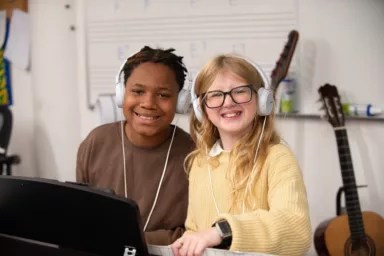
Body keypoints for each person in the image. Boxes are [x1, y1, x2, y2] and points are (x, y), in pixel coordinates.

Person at [171, 54, 311, 256]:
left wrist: (222, 232)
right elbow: (196, 231)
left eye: (240, 91)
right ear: (202, 107)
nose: (228, 102)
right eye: (215, 95)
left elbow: (296, 230)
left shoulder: (277, 157)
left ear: (262, 100)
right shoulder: (199, 163)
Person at [76, 46, 194, 245]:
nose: (148, 103)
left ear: (180, 101)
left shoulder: (195, 154)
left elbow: (195, 234)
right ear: (122, 94)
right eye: (138, 91)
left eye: (163, 95)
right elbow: (83, 219)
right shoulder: (96, 142)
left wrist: (130, 240)